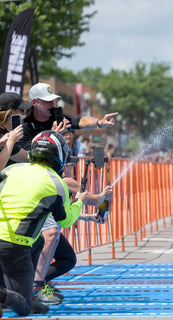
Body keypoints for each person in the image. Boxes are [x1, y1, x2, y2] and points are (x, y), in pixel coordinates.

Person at [18, 83, 117, 305]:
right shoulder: (25, 128)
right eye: (47, 100)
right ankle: (33, 285)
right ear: (34, 103)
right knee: (51, 233)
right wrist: (54, 135)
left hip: (53, 186)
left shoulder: (58, 115)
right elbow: (32, 155)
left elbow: (80, 121)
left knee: (67, 257)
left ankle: (33, 282)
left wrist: (100, 122)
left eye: (53, 99)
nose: (52, 104)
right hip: (33, 189)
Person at [0, 130, 86, 317]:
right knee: (23, 308)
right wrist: (79, 200)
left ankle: (28, 289)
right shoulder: (56, 183)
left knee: (39, 240)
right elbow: (67, 219)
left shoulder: (10, 170)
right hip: (14, 245)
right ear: (59, 156)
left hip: (5, 240)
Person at [0, 92, 32, 169]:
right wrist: (11, 141)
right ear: (11, 112)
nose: (24, 114)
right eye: (21, 110)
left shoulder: (5, 136)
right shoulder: (8, 138)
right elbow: (29, 158)